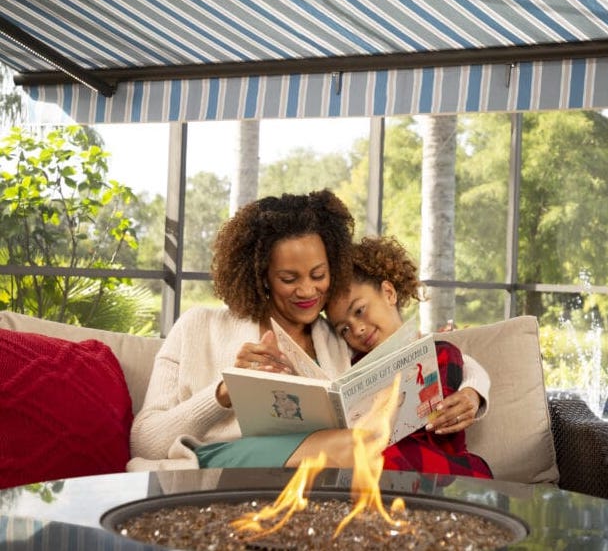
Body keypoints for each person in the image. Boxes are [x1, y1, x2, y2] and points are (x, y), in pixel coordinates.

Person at [128, 190, 489, 472]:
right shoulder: (199, 326)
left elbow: (430, 353)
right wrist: (224, 391)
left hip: (316, 473)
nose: (307, 291)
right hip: (222, 459)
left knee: (363, 451)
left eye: (318, 275)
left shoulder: (336, 336)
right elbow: (144, 443)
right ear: (262, 277)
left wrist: (474, 392)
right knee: (360, 449)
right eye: (289, 279)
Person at [325, 235, 493, 478]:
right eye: (344, 329)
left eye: (360, 311)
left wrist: (474, 391)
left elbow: (465, 369)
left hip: (440, 462)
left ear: (389, 293)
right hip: (383, 467)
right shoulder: (352, 366)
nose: (357, 329)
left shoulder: (442, 353)